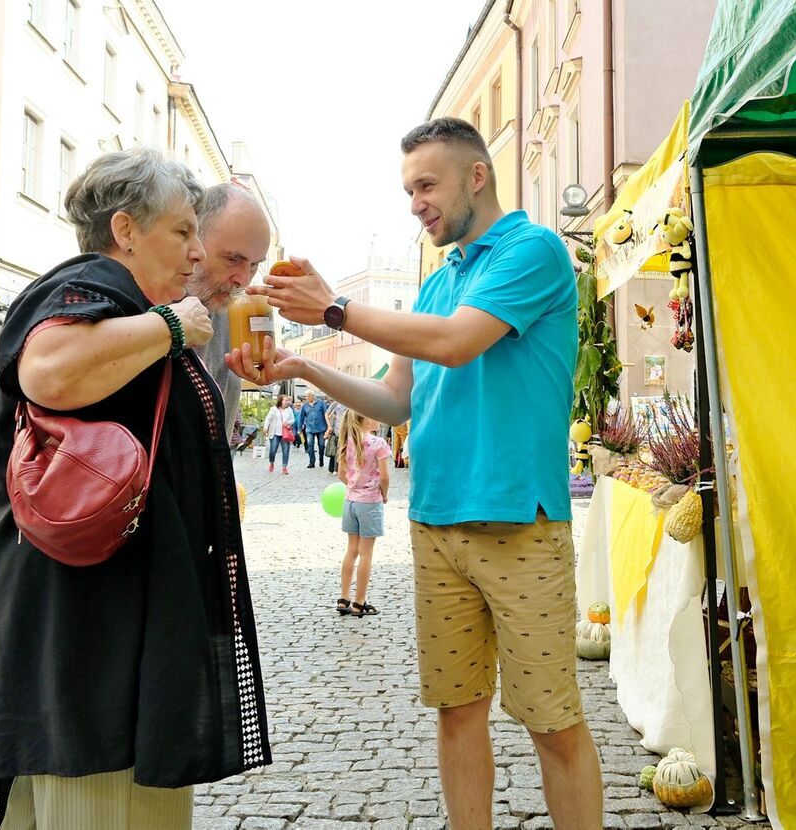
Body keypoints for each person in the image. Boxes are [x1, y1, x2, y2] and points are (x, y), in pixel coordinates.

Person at [227, 117, 601, 829]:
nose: (415, 203)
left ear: (477, 176)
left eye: (426, 184)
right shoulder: (436, 284)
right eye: (408, 190)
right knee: (457, 713)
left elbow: (459, 343)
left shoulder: (535, 250)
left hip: (522, 524)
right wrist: (302, 366)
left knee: (552, 722)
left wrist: (335, 308)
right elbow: (395, 399)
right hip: (435, 523)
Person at [0, 147, 270, 830]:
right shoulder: (89, 289)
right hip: (89, 637)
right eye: (181, 232)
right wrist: (173, 325)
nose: (196, 252)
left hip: (97, 626)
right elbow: (48, 371)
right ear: (126, 230)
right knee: (100, 800)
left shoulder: (116, 302)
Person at [184, 183, 272, 433]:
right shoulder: (147, 303)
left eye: (255, 265)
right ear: (193, 240)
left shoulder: (231, 313)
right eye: (233, 259)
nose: (243, 280)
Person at [335, 410, 390, 618]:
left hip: (350, 502)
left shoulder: (348, 442)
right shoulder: (379, 444)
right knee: (366, 553)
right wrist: (384, 495)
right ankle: (359, 602)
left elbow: (342, 474)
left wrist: (353, 487)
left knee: (351, 550)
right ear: (367, 419)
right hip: (369, 502)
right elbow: (384, 477)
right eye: (374, 415)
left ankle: (344, 597)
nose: (378, 418)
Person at [263, 394, 294, 474]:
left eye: (288, 400)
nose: (287, 402)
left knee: (286, 450)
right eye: (286, 400)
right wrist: (265, 428)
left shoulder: (289, 410)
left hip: (285, 433)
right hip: (274, 433)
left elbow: (293, 419)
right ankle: (272, 462)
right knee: (273, 450)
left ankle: (284, 467)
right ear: (281, 401)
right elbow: (267, 419)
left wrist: (288, 422)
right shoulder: (274, 409)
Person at [300, 391, 329, 468]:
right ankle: (311, 462)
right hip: (310, 428)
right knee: (310, 445)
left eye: (309, 396)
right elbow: (301, 417)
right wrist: (300, 427)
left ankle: (321, 459)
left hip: (321, 427)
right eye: (306, 396)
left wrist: (328, 426)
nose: (307, 398)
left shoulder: (321, 403)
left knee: (321, 445)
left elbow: (325, 414)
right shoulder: (304, 406)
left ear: (313, 396)